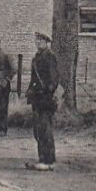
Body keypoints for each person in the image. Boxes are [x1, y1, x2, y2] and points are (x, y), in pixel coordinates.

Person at [26, 31, 60, 170]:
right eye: (36, 40)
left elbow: (53, 79)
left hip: (45, 98)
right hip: (37, 98)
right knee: (38, 129)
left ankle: (49, 160)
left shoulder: (49, 57)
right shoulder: (37, 57)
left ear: (47, 42)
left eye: (40, 41)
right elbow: (34, 78)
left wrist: (47, 91)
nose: (37, 43)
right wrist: (30, 90)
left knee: (45, 129)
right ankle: (42, 158)